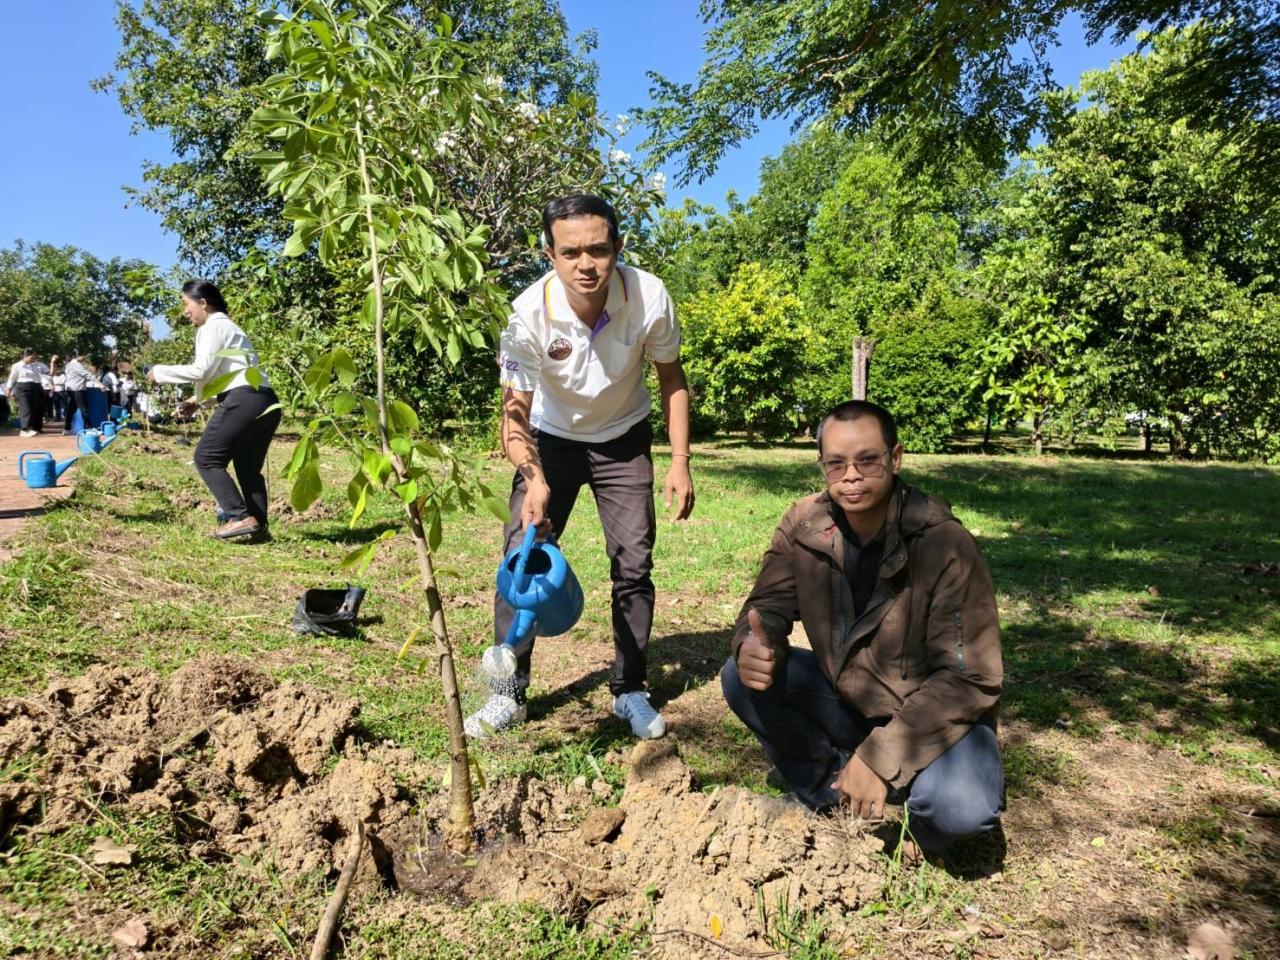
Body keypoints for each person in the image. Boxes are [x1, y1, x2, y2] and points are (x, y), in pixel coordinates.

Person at [721, 400, 1004, 857]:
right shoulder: (805, 524)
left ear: (896, 458)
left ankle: (908, 832)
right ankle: (832, 796)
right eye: (835, 463)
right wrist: (756, 641)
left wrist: (881, 756)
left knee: (960, 808)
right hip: (849, 698)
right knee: (740, 677)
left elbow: (971, 679)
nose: (850, 475)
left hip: (929, 715)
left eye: (867, 460)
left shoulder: (943, 544)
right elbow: (768, 603)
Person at [465, 194, 696, 741]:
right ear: (549, 253)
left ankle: (630, 688)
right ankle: (509, 696)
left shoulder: (649, 296)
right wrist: (534, 478)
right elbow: (513, 414)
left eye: (598, 249)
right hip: (550, 439)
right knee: (519, 560)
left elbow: (672, 380)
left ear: (618, 246)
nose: (586, 264)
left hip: (624, 439)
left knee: (634, 565)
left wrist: (680, 462)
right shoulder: (526, 314)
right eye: (571, 252)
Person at [147, 280, 281, 540]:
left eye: (186, 304)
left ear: (203, 303)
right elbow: (225, 375)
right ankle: (258, 527)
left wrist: (160, 371)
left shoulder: (212, 327)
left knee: (206, 458)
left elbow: (202, 370)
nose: (185, 311)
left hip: (243, 400)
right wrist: (197, 401)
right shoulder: (231, 328)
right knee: (248, 469)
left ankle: (239, 516)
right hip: (265, 400)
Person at [7, 349, 53, 437]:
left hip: (37, 386)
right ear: (25, 356)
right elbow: (12, 378)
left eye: (35, 356)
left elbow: (48, 373)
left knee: (38, 408)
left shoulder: (35, 365)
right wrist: (9, 390)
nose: (34, 358)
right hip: (24, 387)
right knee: (26, 408)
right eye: (32, 356)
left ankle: (37, 428)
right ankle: (25, 429)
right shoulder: (17, 366)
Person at [62, 349, 95, 435]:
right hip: (77, 389)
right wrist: (100, 384)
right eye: (84, 355)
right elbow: (87, 374)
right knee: (84, 409)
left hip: (71, 390)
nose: (84, 358)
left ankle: (67, 428)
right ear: (79, 356)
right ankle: (89, 428)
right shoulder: (76, 364)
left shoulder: (68, 365)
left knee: (71, 410)